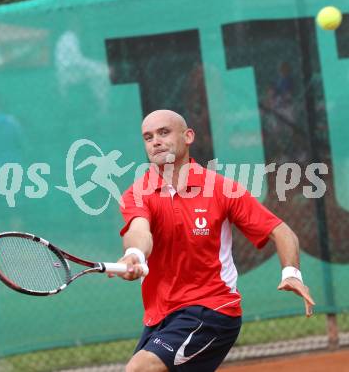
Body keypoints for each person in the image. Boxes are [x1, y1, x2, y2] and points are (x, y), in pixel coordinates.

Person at [113, 109, 315, 372]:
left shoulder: (220, 188)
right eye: (148, 137)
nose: (156, 141)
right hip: (160, 315)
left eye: (164, 132)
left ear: (188, 136)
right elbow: (140, 230)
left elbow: (280, 230)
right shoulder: (137, 193)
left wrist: (291, 273)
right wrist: (136, 256)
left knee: (140, 368)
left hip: (212, 308)